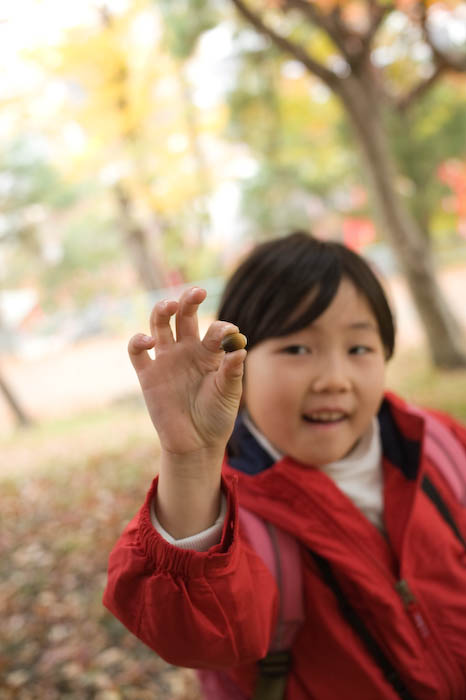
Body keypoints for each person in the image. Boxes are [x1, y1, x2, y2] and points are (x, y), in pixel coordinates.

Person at [103, 231, 466, 700]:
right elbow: (193, 634)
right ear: (238, 364)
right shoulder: (230, 518)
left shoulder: (437, 444)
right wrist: (190, 460)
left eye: (358, 349)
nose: (334, 379)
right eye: (297, 349)